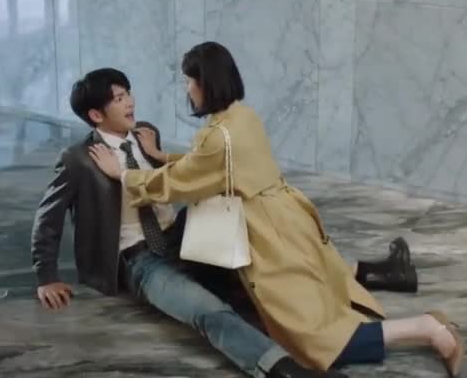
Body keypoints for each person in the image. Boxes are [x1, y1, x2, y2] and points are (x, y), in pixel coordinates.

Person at [88, 43, 466, 376]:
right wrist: (163, 156)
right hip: (287, 218)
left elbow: (181, 182)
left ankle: (427, 328)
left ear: (206, 83)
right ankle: (391, 279)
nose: (187, 89)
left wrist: (124, 175)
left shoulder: (217, 137)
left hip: (266, 236)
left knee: (315, 338)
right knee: (316, 300)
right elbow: (214, 167)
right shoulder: (242, 117)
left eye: (189, 81)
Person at [30, 68, 346, 378]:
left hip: (182, 239)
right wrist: (46, 276)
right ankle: (286, 371)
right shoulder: (79, 159)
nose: (130, 102)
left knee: (263, 277)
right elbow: (48, 217)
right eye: (119, 98)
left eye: (128, 93)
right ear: (96, 115)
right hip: (140, 259)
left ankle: (347, 309)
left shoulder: (145, 135)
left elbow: (184, 175)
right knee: (206, 309)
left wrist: (158, 154)